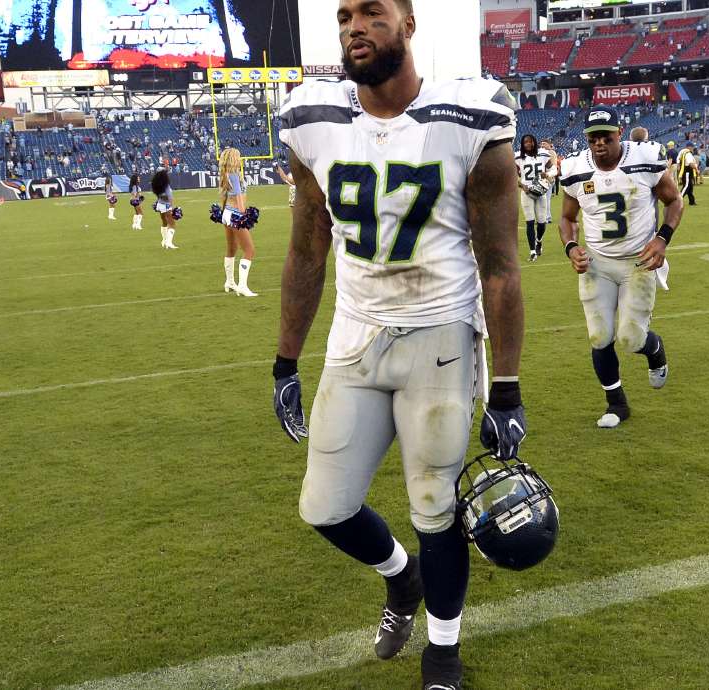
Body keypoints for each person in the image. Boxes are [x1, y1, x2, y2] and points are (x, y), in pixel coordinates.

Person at [273, 1, 525, 687]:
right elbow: (305, 250)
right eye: (345, 16)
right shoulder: (312, 119)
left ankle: (443, 648)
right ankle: (401, 577)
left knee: (434, 503)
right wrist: (284, 361)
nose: (357, 27)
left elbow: (501, 264)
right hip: (356, 335)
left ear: (409, 25)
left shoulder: (470, 116)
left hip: (440, 333)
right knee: (324, 507)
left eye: (374, 13)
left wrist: (506, 386)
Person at [558, 107, 682, 428]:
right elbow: (567, 218)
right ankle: (616, 403)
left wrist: (662, 238)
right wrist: (571, 247)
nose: (600, 143)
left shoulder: (645, 158)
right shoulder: (575, 169)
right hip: (597, 264)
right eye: (593, 138)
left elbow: (674, 201)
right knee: (600, 336)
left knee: (630, 339)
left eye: (606, 137)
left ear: (620, 133)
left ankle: (654, 349)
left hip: (639, 261)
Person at [218, 148, 257, 296]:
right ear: (234, 159)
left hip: (226, 213)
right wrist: (244, 216)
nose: (240, 159)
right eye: (238, 157)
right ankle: (242, 286)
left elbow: (226, 198)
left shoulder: (225, 174)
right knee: (249, 250)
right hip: (235, 214)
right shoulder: (234, 174)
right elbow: (239, 199)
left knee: (232, 248)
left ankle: (229, 282)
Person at [515, 133, 554, 261]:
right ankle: (532, 251)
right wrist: (522, 185)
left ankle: (539, 241)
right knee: (530, 222)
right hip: (527, 193)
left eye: (530, 141)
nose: (528, 144)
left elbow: (554, 168)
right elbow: (511, 176)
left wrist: (547, 174)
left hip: (540, 192)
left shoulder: (542, 154)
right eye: (525, 142)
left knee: (542, 223)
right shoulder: (518, 157)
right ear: (522, 144)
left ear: (534, 142)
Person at [150, 169, 180, 249]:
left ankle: (164, 240)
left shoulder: (158, 186)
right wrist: (172, 207)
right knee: (172, 224)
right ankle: (169, 243)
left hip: (160, 205)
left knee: (164, 223)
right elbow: (170, 197)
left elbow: (160, 196)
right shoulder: (166, 186)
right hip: (166, 205)